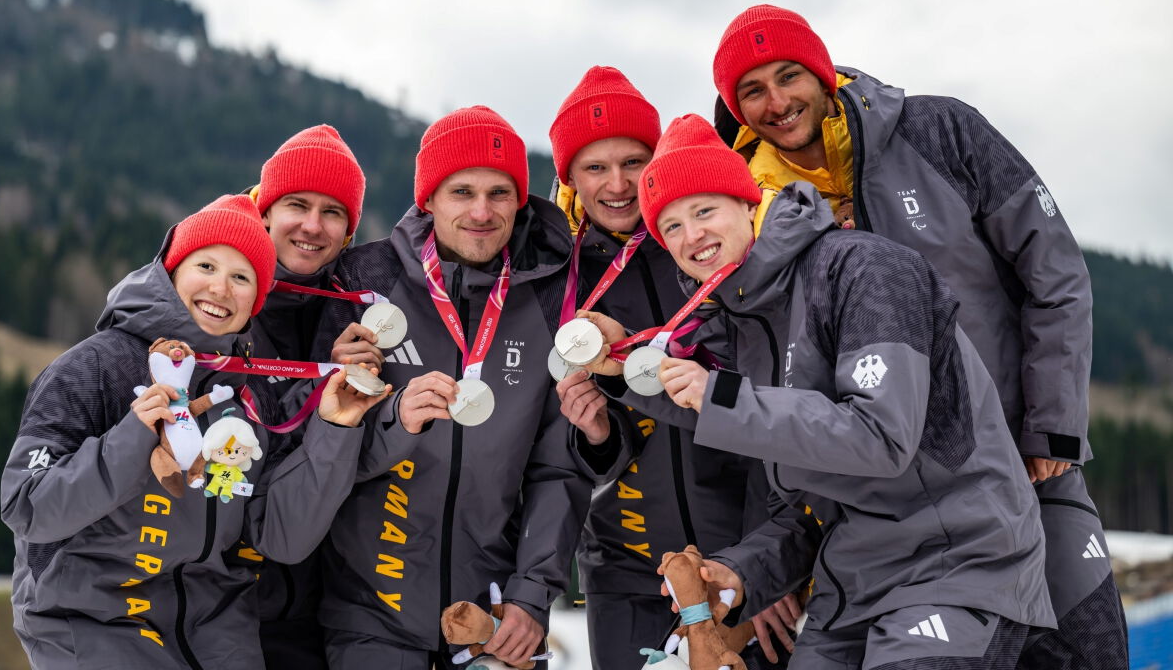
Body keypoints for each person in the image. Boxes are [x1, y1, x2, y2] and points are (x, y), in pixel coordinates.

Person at [711, 4, 1127, 666]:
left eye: (789, 76)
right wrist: (768, 557)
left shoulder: (940, 131)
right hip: (873, 512)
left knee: (1088, 650)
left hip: (1020, 463)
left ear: (824, 73)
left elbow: (1055, 274)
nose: (776, 102)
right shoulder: (745, 216)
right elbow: (767, 389)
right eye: (751, 91)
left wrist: (1051, 426)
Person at [581, 114, 1056, 668]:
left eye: (704, 211)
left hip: (953, 565)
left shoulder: (865, 268)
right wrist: (740, 573)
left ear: (749, 204)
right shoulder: (747, 324)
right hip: (849, 584)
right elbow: (807, 507)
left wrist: (722, 397)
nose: (693, 238)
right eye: (673, 227)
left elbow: (881, 436)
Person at [1, 194, 389, 670]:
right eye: (206, 265)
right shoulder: (96, 366)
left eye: (242, 277)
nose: (221, 288)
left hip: (215, 627)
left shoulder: (249, 396)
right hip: (93, 617)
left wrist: (335, 427)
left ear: (257, 300)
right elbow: (27, 507)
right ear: (171, 271)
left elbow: (280, 537)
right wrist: (132, 438)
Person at [310, 105, 592, 669]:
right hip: (370, 611)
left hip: (493, 617)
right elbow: (315, 452)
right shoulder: (365, 282)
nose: (482, 212)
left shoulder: (553, 295)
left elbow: (558, 468)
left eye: (500, 193)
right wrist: (392, 422)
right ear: (428, 199)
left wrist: (532, 596)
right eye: (461, 192)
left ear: (521, 200)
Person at [546, 66, 779, 669]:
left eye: (634, 162)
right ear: (568, 175)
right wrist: (593, 436)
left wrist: (771, 565)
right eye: (596, 167)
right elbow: (561, 447)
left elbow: (771, 404)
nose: (618, 184)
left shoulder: (700, 247)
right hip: (625, 567)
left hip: (739, 554)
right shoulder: (555, 277)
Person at [246, 124, 374, 670]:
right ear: (265, 210)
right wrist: (322, 386)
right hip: (226, 601)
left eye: (333, 212)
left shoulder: (357, 311)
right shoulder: (219, 303)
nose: (312, 226)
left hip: (325, 605)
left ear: (348, 232)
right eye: (297, 204)